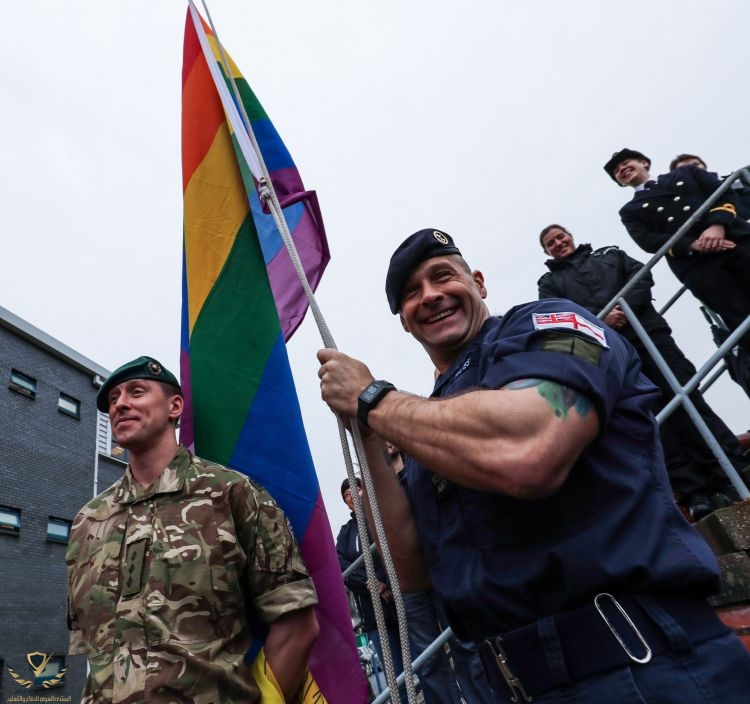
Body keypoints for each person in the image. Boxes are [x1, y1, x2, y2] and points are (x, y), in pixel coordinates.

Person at [317, 228, 750, 703]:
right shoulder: (425, 423)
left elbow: (530, 452)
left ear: (478, 282)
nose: (431, 296)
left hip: (639, 666)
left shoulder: (547, 324)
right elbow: (413, 573)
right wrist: (370, 436)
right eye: (411, 294)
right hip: (514, 683)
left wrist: (374, 398)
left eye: (443, 276)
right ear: (404, 320)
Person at [66, 356, 319, 704]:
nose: (120, 403)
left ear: (175, 406)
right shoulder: (88, 521)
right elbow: (92, 650)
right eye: (113, 400)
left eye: (135, 392)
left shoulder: (233, 495)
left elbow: (297, 626)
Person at [537, 224, 746, 519]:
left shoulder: (610, 255)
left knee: (686, 396)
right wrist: (601, 320)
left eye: (560, 237)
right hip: (613, 353)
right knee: (652, 417)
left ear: (570, 236)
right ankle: (694, 490)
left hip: (650, 334)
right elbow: (557, 316)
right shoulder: (549, 283)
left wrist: (623, 310)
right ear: (546, 251)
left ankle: (730, 467)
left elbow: (640, 276)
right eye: (550, 242)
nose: (558, 243)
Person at [604, 147, 750, 357]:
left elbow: (722, 191)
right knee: (738, 316)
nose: (622, 169)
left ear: (644, 163)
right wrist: (692, 244)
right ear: (620, 183)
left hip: (734, 241)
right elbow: (647, 240)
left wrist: (717, 226)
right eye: (617, 171)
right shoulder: (629, 211)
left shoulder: (687, 173)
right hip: (698, 265)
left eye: (626, 163)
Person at [383, 443, 494, 704]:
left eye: (388, 436)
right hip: (408, 584)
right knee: (428, 658)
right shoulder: (378, 489)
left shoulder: (421, 471)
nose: (385, 442)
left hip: (441, 569)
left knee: (464, 645)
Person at [336, 476, 408, 703]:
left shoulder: (382, 516)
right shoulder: (346, 534)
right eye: (346, 496)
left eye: (355, 491)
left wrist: (383, 580)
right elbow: (342, 566)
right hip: (373, 615)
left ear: (364, 491)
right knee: (396, 677)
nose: (351, 498)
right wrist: (371, 584)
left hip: (402, 601)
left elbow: (397, 546)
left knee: (424, 663)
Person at [669, 153, 750, 219]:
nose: (693, 168)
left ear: (704, 165)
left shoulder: (736, 180)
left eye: (696, 164)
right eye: (685, 168)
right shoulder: (681, 203)